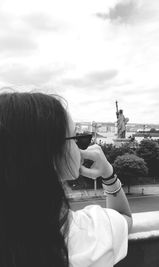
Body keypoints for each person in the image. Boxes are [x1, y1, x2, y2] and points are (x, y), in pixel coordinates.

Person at [0, 92, 132, 267]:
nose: (80, 146)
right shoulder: (91, 235)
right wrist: (108, 174)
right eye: (76, 138)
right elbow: (125, 217)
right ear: (52, 157)